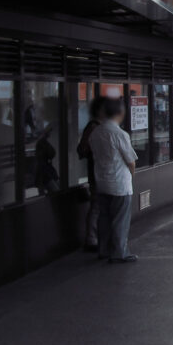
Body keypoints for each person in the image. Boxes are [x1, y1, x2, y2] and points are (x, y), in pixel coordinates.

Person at [89, 97, 138, 263]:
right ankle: (119, 253)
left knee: (104, 219)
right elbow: (130, 161)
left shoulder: (96, 132)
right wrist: (132, 174)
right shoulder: (119, 134)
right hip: (119, 184)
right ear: (121, 112)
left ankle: (103, 250)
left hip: (101, 182)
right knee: (120, 220)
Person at [76, 97, 103, 251]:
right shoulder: (94, 127)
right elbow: (82, 150)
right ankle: (91, 238)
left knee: (98, 204)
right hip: (97, 172)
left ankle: (96, 236)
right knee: (97, 204)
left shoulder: (99, 126)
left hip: (100, 171)